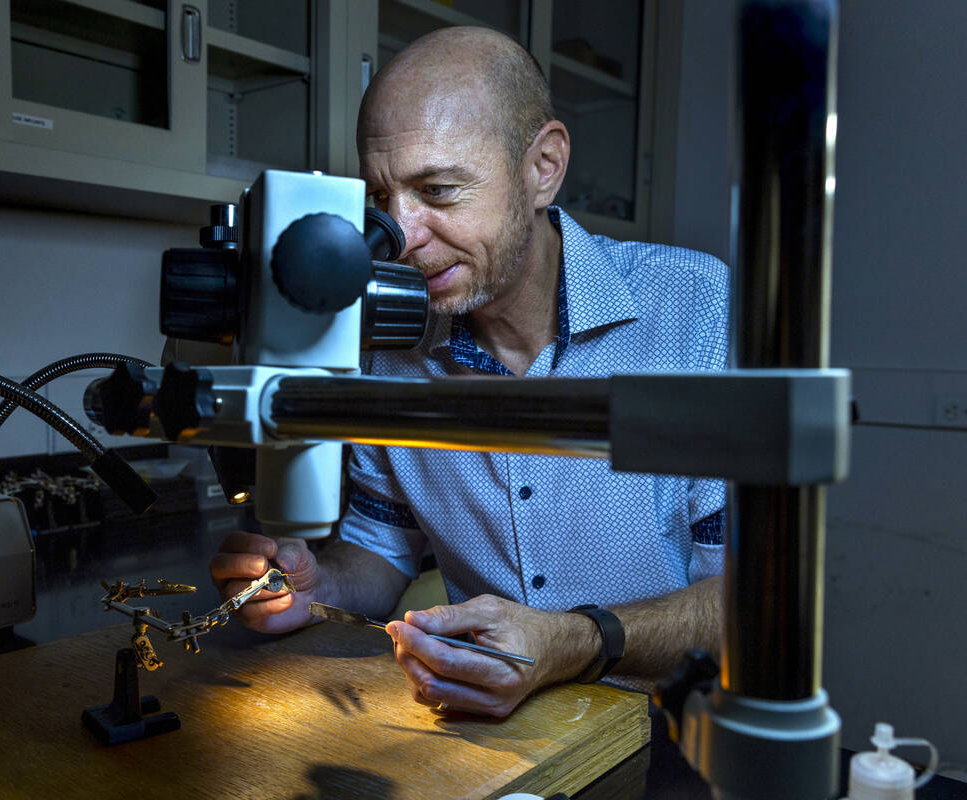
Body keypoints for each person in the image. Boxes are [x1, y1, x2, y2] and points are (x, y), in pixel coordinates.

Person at [209, 26, 728, 717]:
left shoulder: (692, 309)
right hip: (492, 738)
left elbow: (748, 601)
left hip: (673, 734)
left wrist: (576, 640)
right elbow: (381, 551)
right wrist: (317, 586)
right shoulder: (391, 346)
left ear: (543, 166)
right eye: (382, 201)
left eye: (440, 190)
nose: (405, 238)